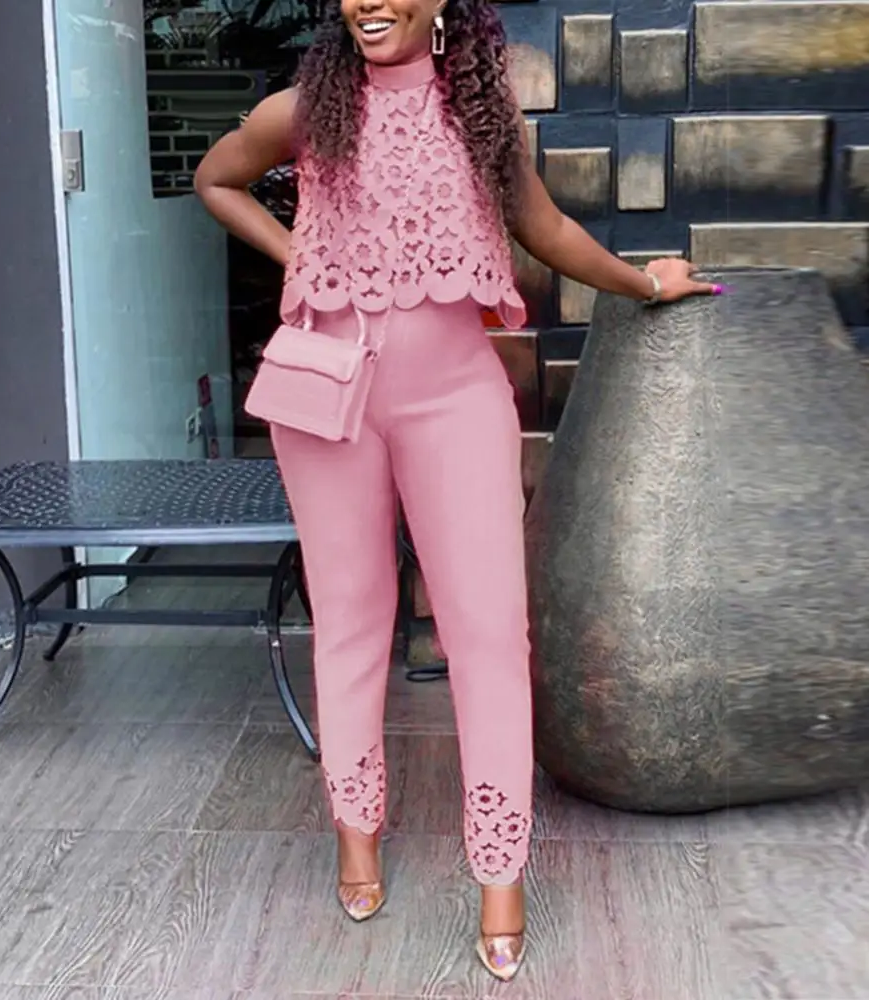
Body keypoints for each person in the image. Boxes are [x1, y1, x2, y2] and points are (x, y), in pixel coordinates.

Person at [194, 0, 718, 981]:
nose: (369, 1)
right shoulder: (306, 108)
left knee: (489, 637)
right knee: (350, 622)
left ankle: (501, 871)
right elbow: (215, 178)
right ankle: (356, 831)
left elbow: (545, 226)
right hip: (327, 400)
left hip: (455, 401)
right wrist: (298, 253)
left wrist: (644, 284)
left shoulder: (479, 112)